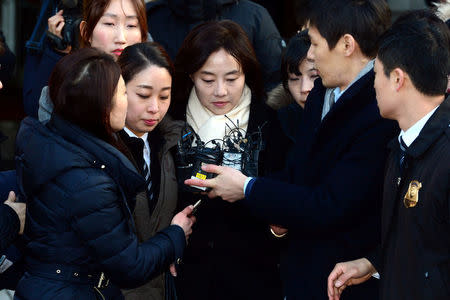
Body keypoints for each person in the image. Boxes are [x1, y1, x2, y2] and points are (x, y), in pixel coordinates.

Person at [184, 1, 398, 299]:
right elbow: (299, 171)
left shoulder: (380, 108)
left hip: (344, 283)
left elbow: (331, 204)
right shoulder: (323, 89)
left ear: (347, 45)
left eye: (314, 43)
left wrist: (248, 187)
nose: (308, 54)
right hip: (300, 274)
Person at [14, 47, 195, 300]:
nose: (154, 107)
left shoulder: (56, 145)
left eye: (165, 96)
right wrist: (176, 233)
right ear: (100, 103)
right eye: (124, 92)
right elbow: (129, 266)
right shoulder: (89, 180)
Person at [327, 10, 450, 300]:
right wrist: (374, 263)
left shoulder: (443, 156)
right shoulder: (401, 145)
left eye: (376, 73)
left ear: (397, 78)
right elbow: (421, 243)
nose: (373, 84)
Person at [171, 20, 288, 300]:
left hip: (253, 279)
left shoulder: (269, 124)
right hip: (183, 279)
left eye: (232, 78)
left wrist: (277, 231)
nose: (220, 91)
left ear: (247, 73)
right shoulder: (168, 123)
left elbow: (286, 201)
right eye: (207, 80)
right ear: (190, 75)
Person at [116, 42, 185, 300]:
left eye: (164, 96)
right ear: (118, 90)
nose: (155, 107)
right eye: (144, 96)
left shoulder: (172, 142)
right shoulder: (101, 150)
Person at [25, 0, 148, 119]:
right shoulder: (74, 83)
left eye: (131, 25)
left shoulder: (153, 68)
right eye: (109, 23)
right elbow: (34, 109)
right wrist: (56, 54)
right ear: (85, 31)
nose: (121, 38)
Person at [146, 0, 285, 91]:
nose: (220, 92)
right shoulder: (153, 17)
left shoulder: (253, 16)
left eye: (231, 79)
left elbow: (275, 83)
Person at [266, 29, 318, 142]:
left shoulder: (356, 122)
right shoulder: (279, 124)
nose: (304, 88)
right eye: (294, 79)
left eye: (314, 76)